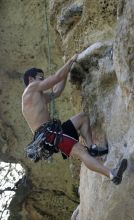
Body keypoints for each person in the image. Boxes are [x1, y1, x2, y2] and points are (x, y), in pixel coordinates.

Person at [22, 54, 127, 185]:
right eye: (40, 77)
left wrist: (67, 70)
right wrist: (70, 61)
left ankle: (92, 147)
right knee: (81, 152)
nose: (42, 80)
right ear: (31, 79)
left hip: (53, 132)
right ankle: (112, 174)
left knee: (82, 118)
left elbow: (57, 91)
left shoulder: (38, 97)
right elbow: (56, 78)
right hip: (49, 135)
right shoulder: (30, 89)